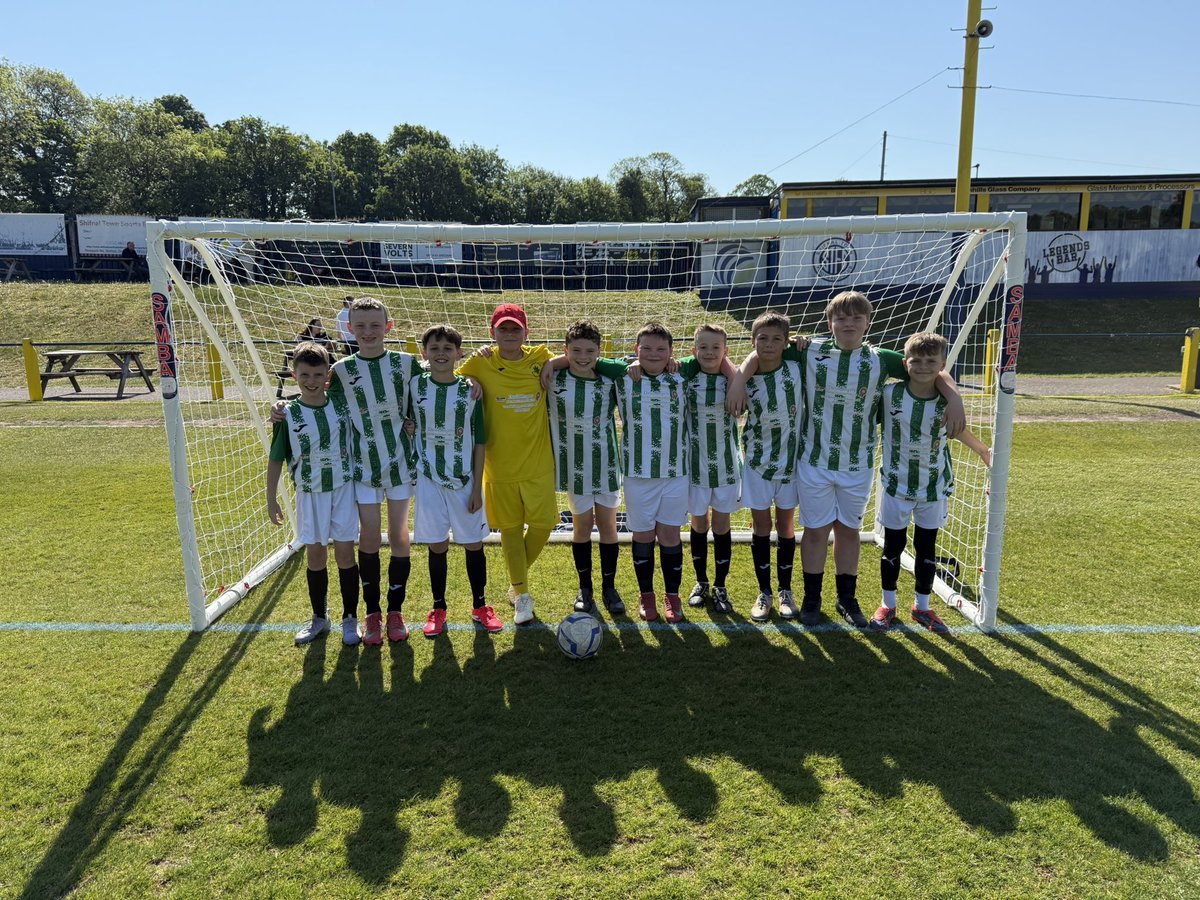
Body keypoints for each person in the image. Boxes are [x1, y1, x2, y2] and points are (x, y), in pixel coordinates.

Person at [730, 290, 965, 629]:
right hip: (814, 461)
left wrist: (954, 399)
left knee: (849, 531)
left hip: (857, 463)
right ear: (830, 323)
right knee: (815, 531)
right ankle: (812, 599)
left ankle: (846, 598)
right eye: (841, 318)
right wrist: (739, 379)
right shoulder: (810, 350)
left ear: (867, 323)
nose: (848, 323)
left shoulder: (880, 359)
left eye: (856, 318)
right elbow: (764, 350)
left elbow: (927, 367)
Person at [271, 296, 422, 646]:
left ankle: (395, 612)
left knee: (399, 535)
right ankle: (371, 614)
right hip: (361, 468)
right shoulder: (340, 370)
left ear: (388, 327)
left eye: (375, 325)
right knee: (367, 537)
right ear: (349, 328)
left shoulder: (406, 363)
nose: (368, 331)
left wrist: (472, 380)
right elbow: (315, 396)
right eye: (361, 325)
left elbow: (432, 385)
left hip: (400, 464)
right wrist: (282, 406)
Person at [548, 322, 692, 623]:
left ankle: (671, 595)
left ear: (672, 352)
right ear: (636, 351)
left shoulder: (683, 372)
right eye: (646, 349)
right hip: (634, 473)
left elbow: (713, 358)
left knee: (668, 534)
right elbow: (585, 358)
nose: (654, 354)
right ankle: (641, 595)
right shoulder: (623, 373)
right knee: (634, 533)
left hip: (675, 471)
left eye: (661, 349)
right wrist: (552, 362)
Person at [870, 331, 991, 633]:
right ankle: (887, 605)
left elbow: (958, 431)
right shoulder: (889, 394)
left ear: (942, 365)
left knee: (926, 548)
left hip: (933, 486)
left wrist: (983, 451)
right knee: (893, 547)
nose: (923, 366)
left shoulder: (946, 402)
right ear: (905, 363)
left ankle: (922, 607)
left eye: (931, 361)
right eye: (916, 360)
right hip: (895, 484)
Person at [459, 303, 557, 625]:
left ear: (526, 332)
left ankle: (517, 580)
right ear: (492, 332)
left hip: (538, 462)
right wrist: (469, 381)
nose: (510, 334)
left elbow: (573, 356)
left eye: (516, 329)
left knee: (544, 525)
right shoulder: (480, 362)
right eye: (504, 329)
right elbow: (447, 377)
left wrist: (553, 362)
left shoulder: (540, 357)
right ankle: (522, 596)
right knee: (511, 529)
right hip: (498, 465)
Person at [265, 341, 359, 645]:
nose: (311, 381)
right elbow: (276, 458)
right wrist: (271, 498)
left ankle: (350, 618)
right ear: (294, 376)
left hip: (342, 489)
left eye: (318, 374)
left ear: (327, 376)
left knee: (345, 554)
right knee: (315, 556)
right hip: (310, 492)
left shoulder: (341, 404)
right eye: (304, 375)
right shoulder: (288, 415)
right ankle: (320, 618)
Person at [409, 325, 501, 637]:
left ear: (459, 353)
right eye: (434, 348)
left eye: (448, 349)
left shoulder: (470, 391)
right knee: (437, 544)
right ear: (424, 353)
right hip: (429, 479)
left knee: (473, 543)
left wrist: (476, 487)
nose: (441, 354)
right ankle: (438, 608)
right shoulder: (414, 385)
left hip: (464, 481)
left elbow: (479, 442)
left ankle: (480, 606)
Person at [544, 320, 625, 616]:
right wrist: (553, 363)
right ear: (565, 350)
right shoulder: (553, 378)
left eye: (590, 351)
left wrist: (558, 359)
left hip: (606, 465)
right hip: (573, 468)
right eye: (576, 351)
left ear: (599, 352)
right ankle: (585, 588)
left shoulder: (608, 381)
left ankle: (609, 588)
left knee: (608, 527)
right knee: (581, 527)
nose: (582, 357)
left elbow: (625, 367)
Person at [736, 312, 803, 622]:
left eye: (777, 339)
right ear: (753, 341)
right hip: (757, 462)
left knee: (786, 526)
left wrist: (802, 341)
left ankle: (786, 590)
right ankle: (764, 592)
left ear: (787, 342)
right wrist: (738, 380)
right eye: (762, 338)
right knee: (761, 526)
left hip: (791, 462)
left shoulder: (796, 364)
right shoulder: (743, 377)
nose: (769, 344)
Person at [680, 324, 742, 616]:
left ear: (725, 351)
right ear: (694, 350)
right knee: (698, 523)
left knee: (721, 524)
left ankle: (720, 585)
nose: (709, 352)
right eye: (703, 347)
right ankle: (701, 581)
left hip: (726, 467)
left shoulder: (735, 380)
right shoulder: (686, 378)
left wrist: (734, 375)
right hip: (695, 467)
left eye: (716, 348)